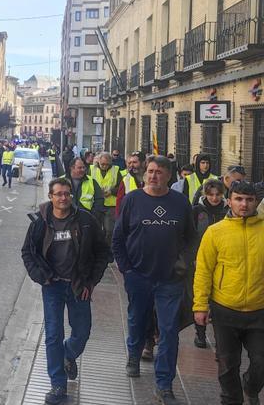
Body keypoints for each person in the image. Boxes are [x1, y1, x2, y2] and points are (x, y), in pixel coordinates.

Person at [113, 155, 196, 403]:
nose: (153, 175)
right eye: (150, 171)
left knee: (169, 330)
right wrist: (126, 269)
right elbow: (118, 239)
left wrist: (183, 263)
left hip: (170, 279)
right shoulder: (133, 200)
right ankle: (133, 354)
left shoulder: (180, 203)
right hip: (138, 276)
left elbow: (192, 239)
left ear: (170, 175)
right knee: (137, 319)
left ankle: (164, 385)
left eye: (159, 172)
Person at [21, 177, 109, 405]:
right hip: (53, 285)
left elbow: (102, 252)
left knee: (82, 332)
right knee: (53, 334)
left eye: (67, 194)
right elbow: (28, 253)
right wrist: (41, 277)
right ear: (50, 197)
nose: (63, 198)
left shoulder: (85, 221)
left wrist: (91, 282)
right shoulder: (40, 222)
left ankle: (68, 354)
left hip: (79, 285)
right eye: (58, 194)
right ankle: (57, 384)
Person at [194, 180, 264, 405]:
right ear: (230, 201)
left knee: (260, 362)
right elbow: (203, 271)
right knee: (227, 364)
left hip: (259, 310)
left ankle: (251, 385)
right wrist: (200, 306)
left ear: (256, 202)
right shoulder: (215, 232)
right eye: (239, 199)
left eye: (249, 200)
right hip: (225, 309)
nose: (244, 204)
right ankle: (231, 400)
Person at [190, 178, 229, 349]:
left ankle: (220, 335)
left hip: (222, 260)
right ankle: (200, 333)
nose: (214, 198)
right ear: (205, 194)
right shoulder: (197, 211)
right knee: (201, 296)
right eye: (211, 194)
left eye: (218, 194)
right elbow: (190, 235)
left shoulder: (227, 211)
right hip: (200, 259)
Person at [89, 152, 122, 249]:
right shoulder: (91, 169)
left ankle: (107, 249)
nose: (104, 166)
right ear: (98, 162)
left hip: (110, 205)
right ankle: (97, 248)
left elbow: (121, 187)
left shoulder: (116, 170)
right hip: (96, 204)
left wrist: (111, 191)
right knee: (96, 229)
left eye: (107, 164)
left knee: (109, 230)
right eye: (102, 164)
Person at [115, 151, 144, 216]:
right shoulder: (126, 179)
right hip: (131, 216)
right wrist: (118, 219)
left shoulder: (151, 178)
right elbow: (119, 201)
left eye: (135, 162)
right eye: (130, 163)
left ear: (143, 163)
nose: (131, 165)